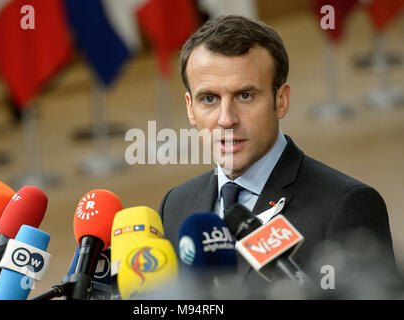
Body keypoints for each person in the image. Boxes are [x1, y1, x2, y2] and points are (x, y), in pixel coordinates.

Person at [158, 15, 398, 299]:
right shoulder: (175, 206)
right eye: (209, 98)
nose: (226, 119)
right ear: (190, 108)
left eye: (245, 95)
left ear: (280, 100)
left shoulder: (346, 205)